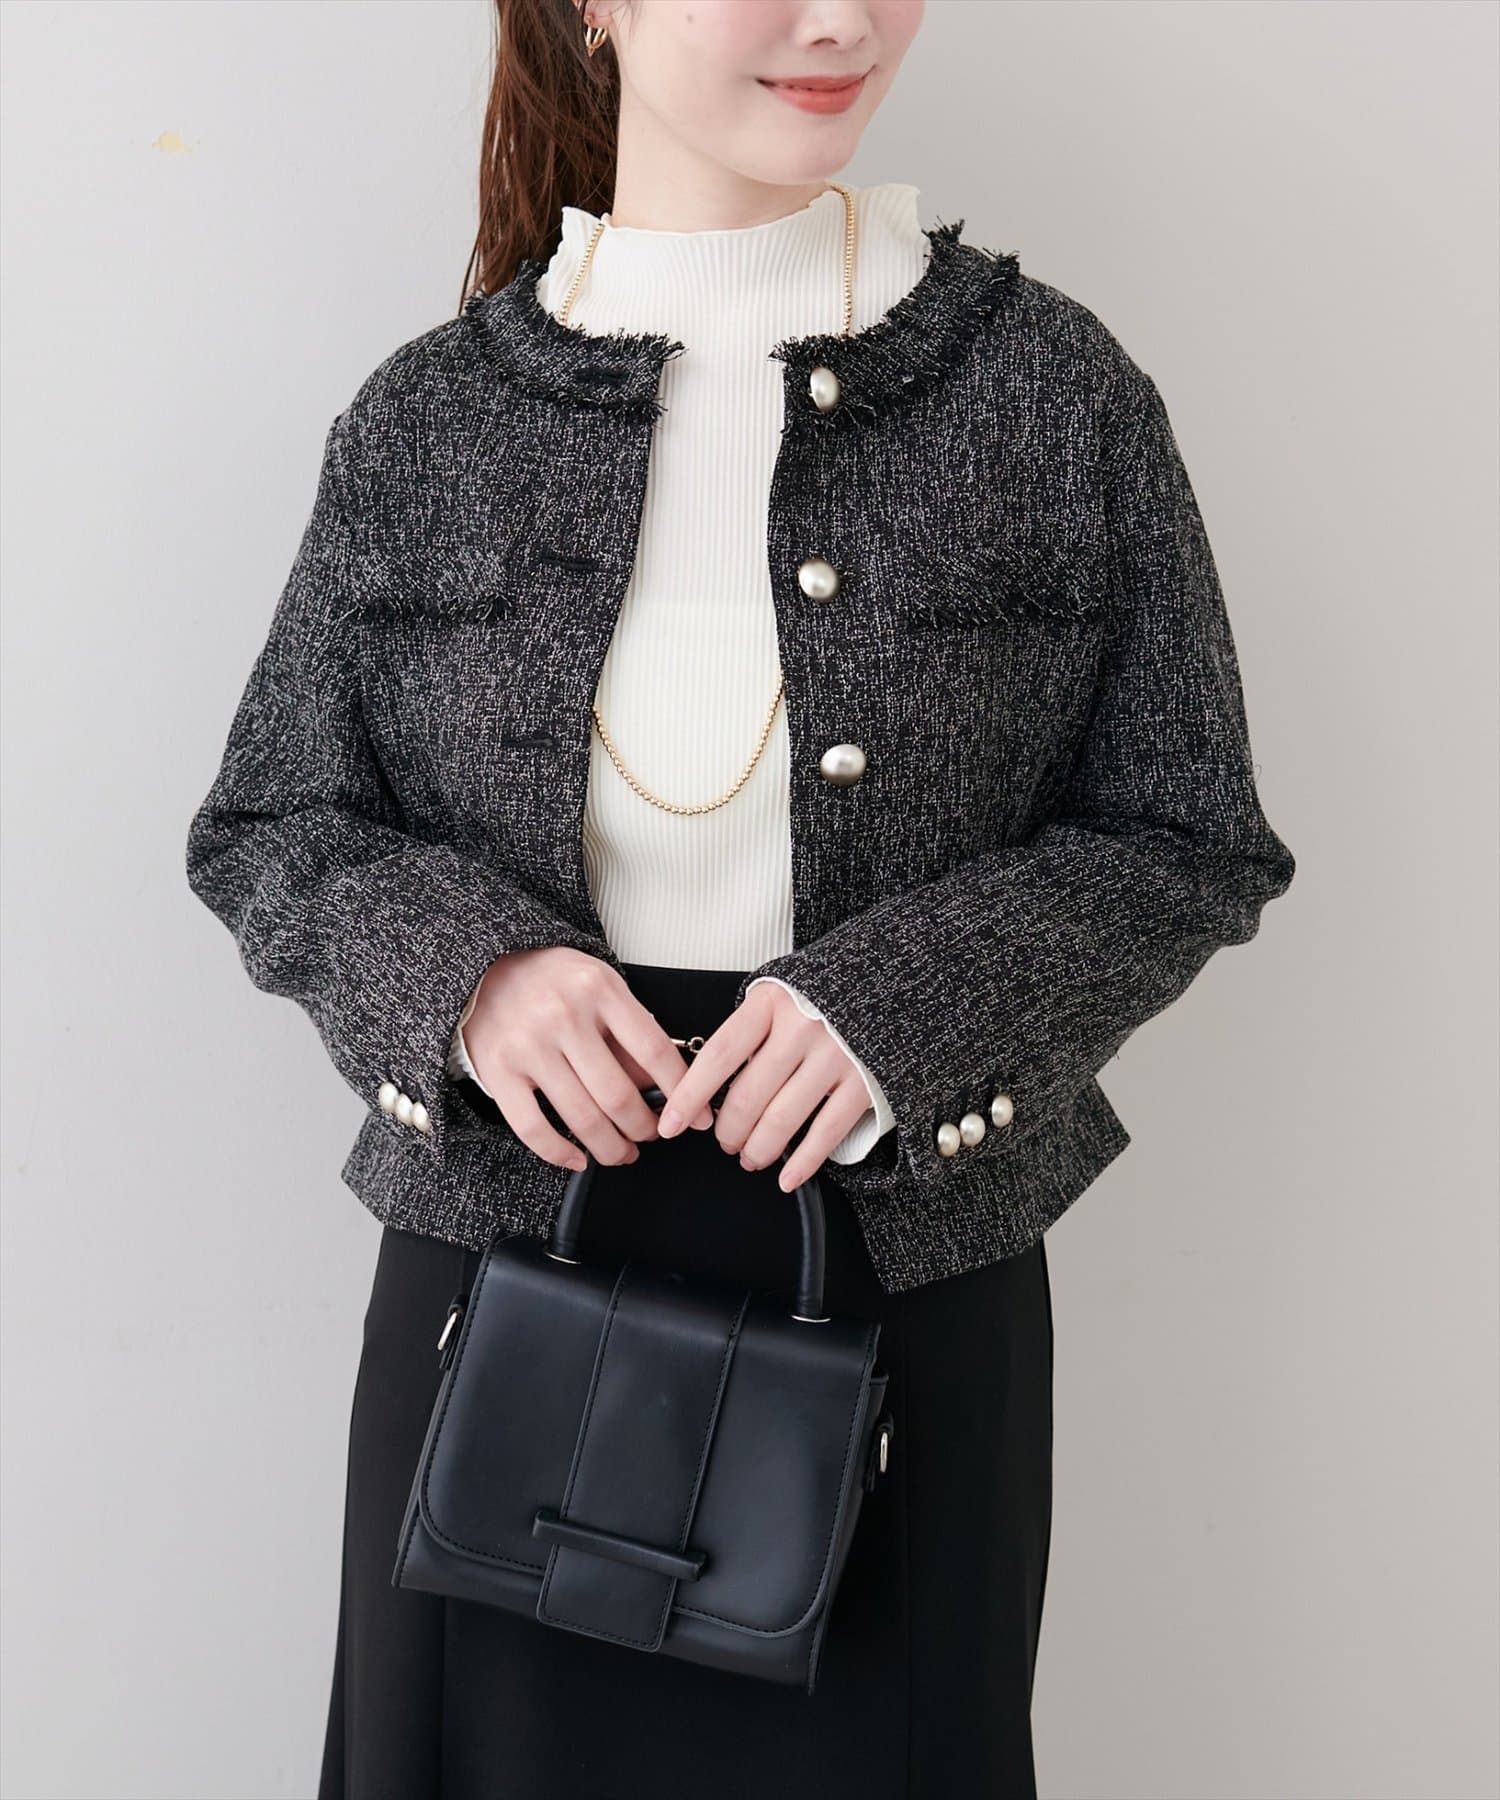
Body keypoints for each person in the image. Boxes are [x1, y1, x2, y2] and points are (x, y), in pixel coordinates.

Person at [183, 1, 1296, 1794]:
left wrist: (913, 1006)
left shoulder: (1052, 393)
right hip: (495, 1293)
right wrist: (468, 978)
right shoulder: (426, 419)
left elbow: (1187, 832)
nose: (839, 20)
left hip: (902, 1290)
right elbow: (271, 822)